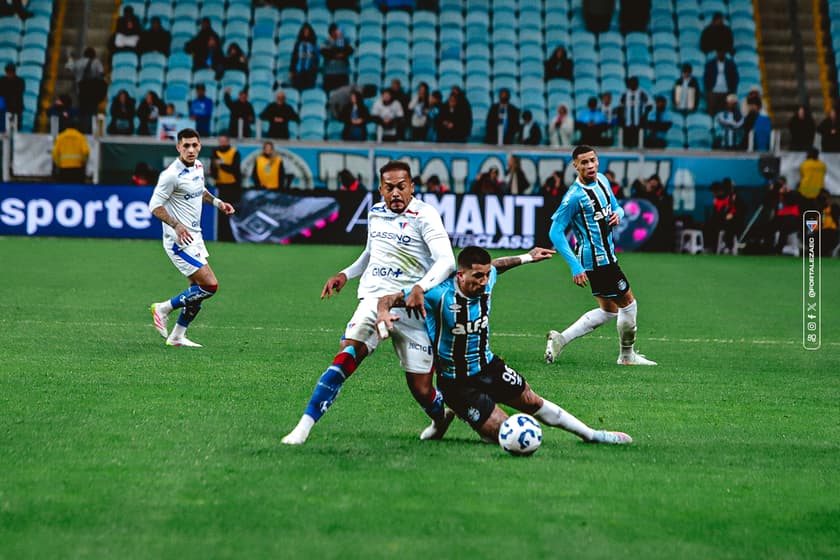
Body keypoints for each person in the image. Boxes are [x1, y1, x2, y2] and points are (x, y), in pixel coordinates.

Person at [376, 246, 633, 446]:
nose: (484, 281)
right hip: (457, 382)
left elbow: (499, 265)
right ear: (460, 275)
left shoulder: (488, 278)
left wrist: (528, 257)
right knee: (501, 433)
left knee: (532, 401)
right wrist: (383, 314)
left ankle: (592, 435)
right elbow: (387, 299)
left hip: (489, 366)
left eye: (486, 275)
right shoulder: (436, 294)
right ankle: (456, 411)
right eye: (477, 276)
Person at [281, 160, 457, 445]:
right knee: (347, 355)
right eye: (389, 188)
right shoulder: (375, 212)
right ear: (381, 189)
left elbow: (447, 261)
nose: (396, 193)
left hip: (412, 306)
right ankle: (303, 427)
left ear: (412, 187)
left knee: (422, 389)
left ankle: (440, 418)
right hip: (374, 300)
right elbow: (370, 253)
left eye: (402, 187)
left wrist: (419, 288)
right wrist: (345, 274)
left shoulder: (425, 215)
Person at [545, 145, 657, 366]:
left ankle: (560, 339)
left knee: (609, 311)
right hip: (598, 261)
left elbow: (617, 207)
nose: (590, 166)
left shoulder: (603, 180)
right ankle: (626, 357)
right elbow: (555, 233)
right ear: (575, 166)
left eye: (593, 160)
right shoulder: (574, 197)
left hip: (607, 256)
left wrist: (619, 214)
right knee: (629, 305)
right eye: (584, 162)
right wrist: (575, 266)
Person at [148, 128, 235, 347]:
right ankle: (163, 308)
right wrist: (176, 225)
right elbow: (154, 206)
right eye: (185, 145)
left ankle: (177, 336)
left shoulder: (198, 166)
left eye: (194, 145)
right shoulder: (170, 175)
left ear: (200, 146)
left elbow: (201, 191)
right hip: (178, 241)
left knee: (196, 292)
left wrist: (219, 203)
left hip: (195, 237)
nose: (190, 149)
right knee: (210, 286)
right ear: (178, 147)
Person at [210, 134, 241, 242]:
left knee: (230, 211)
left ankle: (232, 236)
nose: (222, 144)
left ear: (228, 142)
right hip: (219, 186)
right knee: (219, 212)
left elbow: (235, 169)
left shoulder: (234, 153)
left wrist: (221, 165)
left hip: (231, 186)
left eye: (224, 141)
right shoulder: (215, 152)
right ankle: (219, 236)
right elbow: (213, 167)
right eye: (220, 141)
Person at [65, 47, 106, 123]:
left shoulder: (79, 62)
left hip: (81, 90)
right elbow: (101, 74)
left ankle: (82, 124)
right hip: (93, 92)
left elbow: (69, 68)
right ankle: (91, 126)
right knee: (92, 111)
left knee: (82, 110)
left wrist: (69, 57)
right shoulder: (97, 62)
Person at [704, 178, 744, 253]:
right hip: (721, 222)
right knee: (709, 226)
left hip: (734, 223)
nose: (714, 194)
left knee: (729, 228)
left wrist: (732, 215)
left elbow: (740, 211)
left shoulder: (735, 198)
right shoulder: (719, 200)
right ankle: (710, 247)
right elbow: (716, 215)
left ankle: (729, 247)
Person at [636, 174, 674, 251]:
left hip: (661, 221)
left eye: (655, 181)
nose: (653, 183)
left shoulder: (662, 194)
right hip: (647, 220)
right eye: (651, 181)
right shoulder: (644, 193)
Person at [618, 76, 652, 148]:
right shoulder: (625, 94)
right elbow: (620, 107)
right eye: (631, 83)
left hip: (638, 123)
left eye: (634, 83)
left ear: (637, 84)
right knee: (627, 143)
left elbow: (649, 106)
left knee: (638, 143)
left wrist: (644, 116)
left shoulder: (642, 93)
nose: (632, 84)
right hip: (627, 123)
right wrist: (622, 118)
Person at [703, 50, 739, 117]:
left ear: (725, 53)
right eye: (719, 52)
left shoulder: (731, 64)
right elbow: (706, 78)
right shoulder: (710, 64)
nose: (721, 54)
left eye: (722, 53)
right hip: (713, 91)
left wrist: (732, 90)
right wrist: (709, 89)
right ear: (716, 53)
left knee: (730, 111)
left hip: (727, 91)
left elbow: (735, 78)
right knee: (711, 111)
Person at [320, 23, 353, 92]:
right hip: (329, 74)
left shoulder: (345, 41)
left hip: (342, 73)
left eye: (336, 31)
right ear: (330, 33)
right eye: (334, 31)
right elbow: (325, 52)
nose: (336, 33)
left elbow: (350, 51)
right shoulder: (325, 43)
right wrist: (337, 54)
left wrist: (340, 52)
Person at [289, 23, 319, 91]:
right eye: (304, 31)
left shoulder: (314, 45)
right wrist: (291, 71)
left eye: (307, 31)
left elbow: (317, 59)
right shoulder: (298, 44)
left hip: (310, 73)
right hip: (298, 72)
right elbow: (293, 58)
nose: (306, 33)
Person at [798, 147, 826, 213]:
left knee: (804, 213)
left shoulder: (804, 164)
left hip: (804, 192)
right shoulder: (822, 165)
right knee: (816, 214)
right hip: (818, 193)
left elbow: (802, 176)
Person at [817, 189, 839, 256]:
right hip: (819, 232)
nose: (825, 200)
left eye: (826, 198)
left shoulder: (834, 207)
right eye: (822, 198)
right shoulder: (817, 209)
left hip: (832, 231)